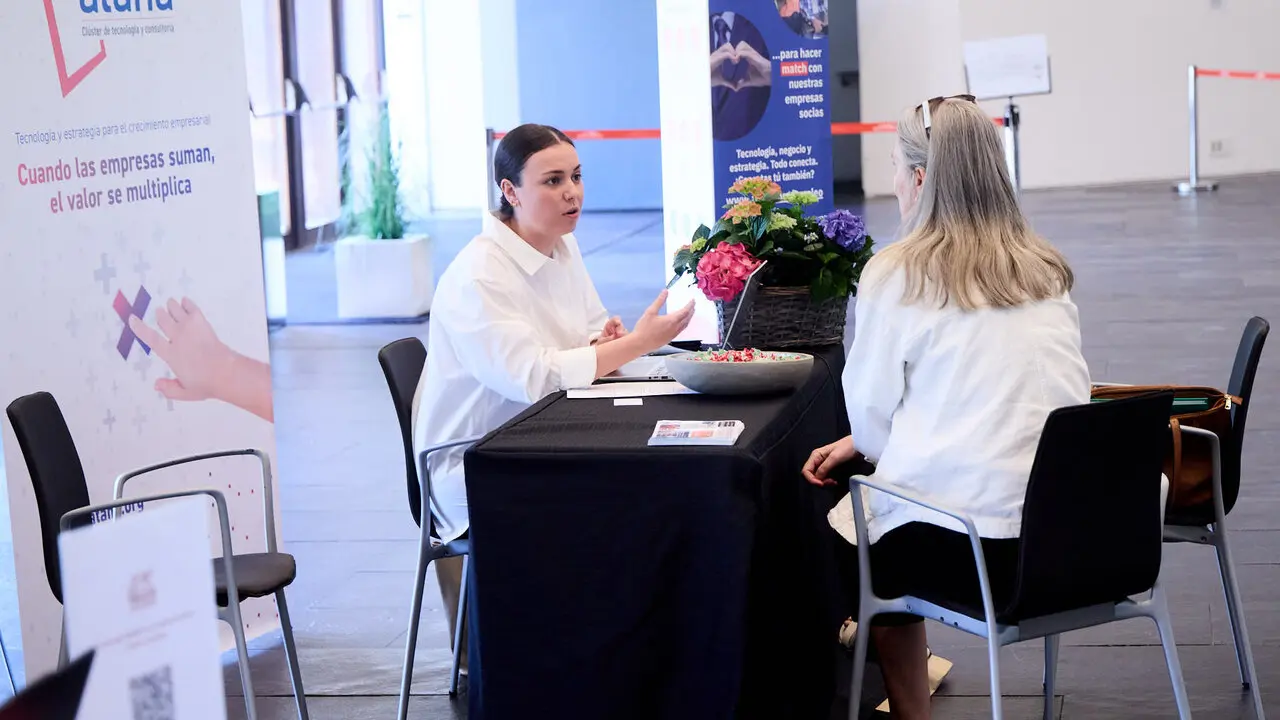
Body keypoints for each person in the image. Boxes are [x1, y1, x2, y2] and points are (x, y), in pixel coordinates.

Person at [803, 96, 1089, 719]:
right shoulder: (1045, 268)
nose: (895, 185)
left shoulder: (896, 275)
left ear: (922, 179)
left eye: (896, 170)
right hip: (1085, 539)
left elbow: (873, 426)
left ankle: (906, 703)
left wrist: (864, 443)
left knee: (859, 511)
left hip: (982, 558)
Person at [411, 123, 696, 667]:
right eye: (553, 180)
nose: (572, 193)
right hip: (478, 464)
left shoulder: (562, 246)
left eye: (577, 177)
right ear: (510, 192)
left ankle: (637, 650)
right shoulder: (478, 277)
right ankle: (595, 659)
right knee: (630, 499)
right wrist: (633, 344)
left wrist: (603, 342)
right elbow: (534, 377)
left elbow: (586, 330)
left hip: (544, 436)